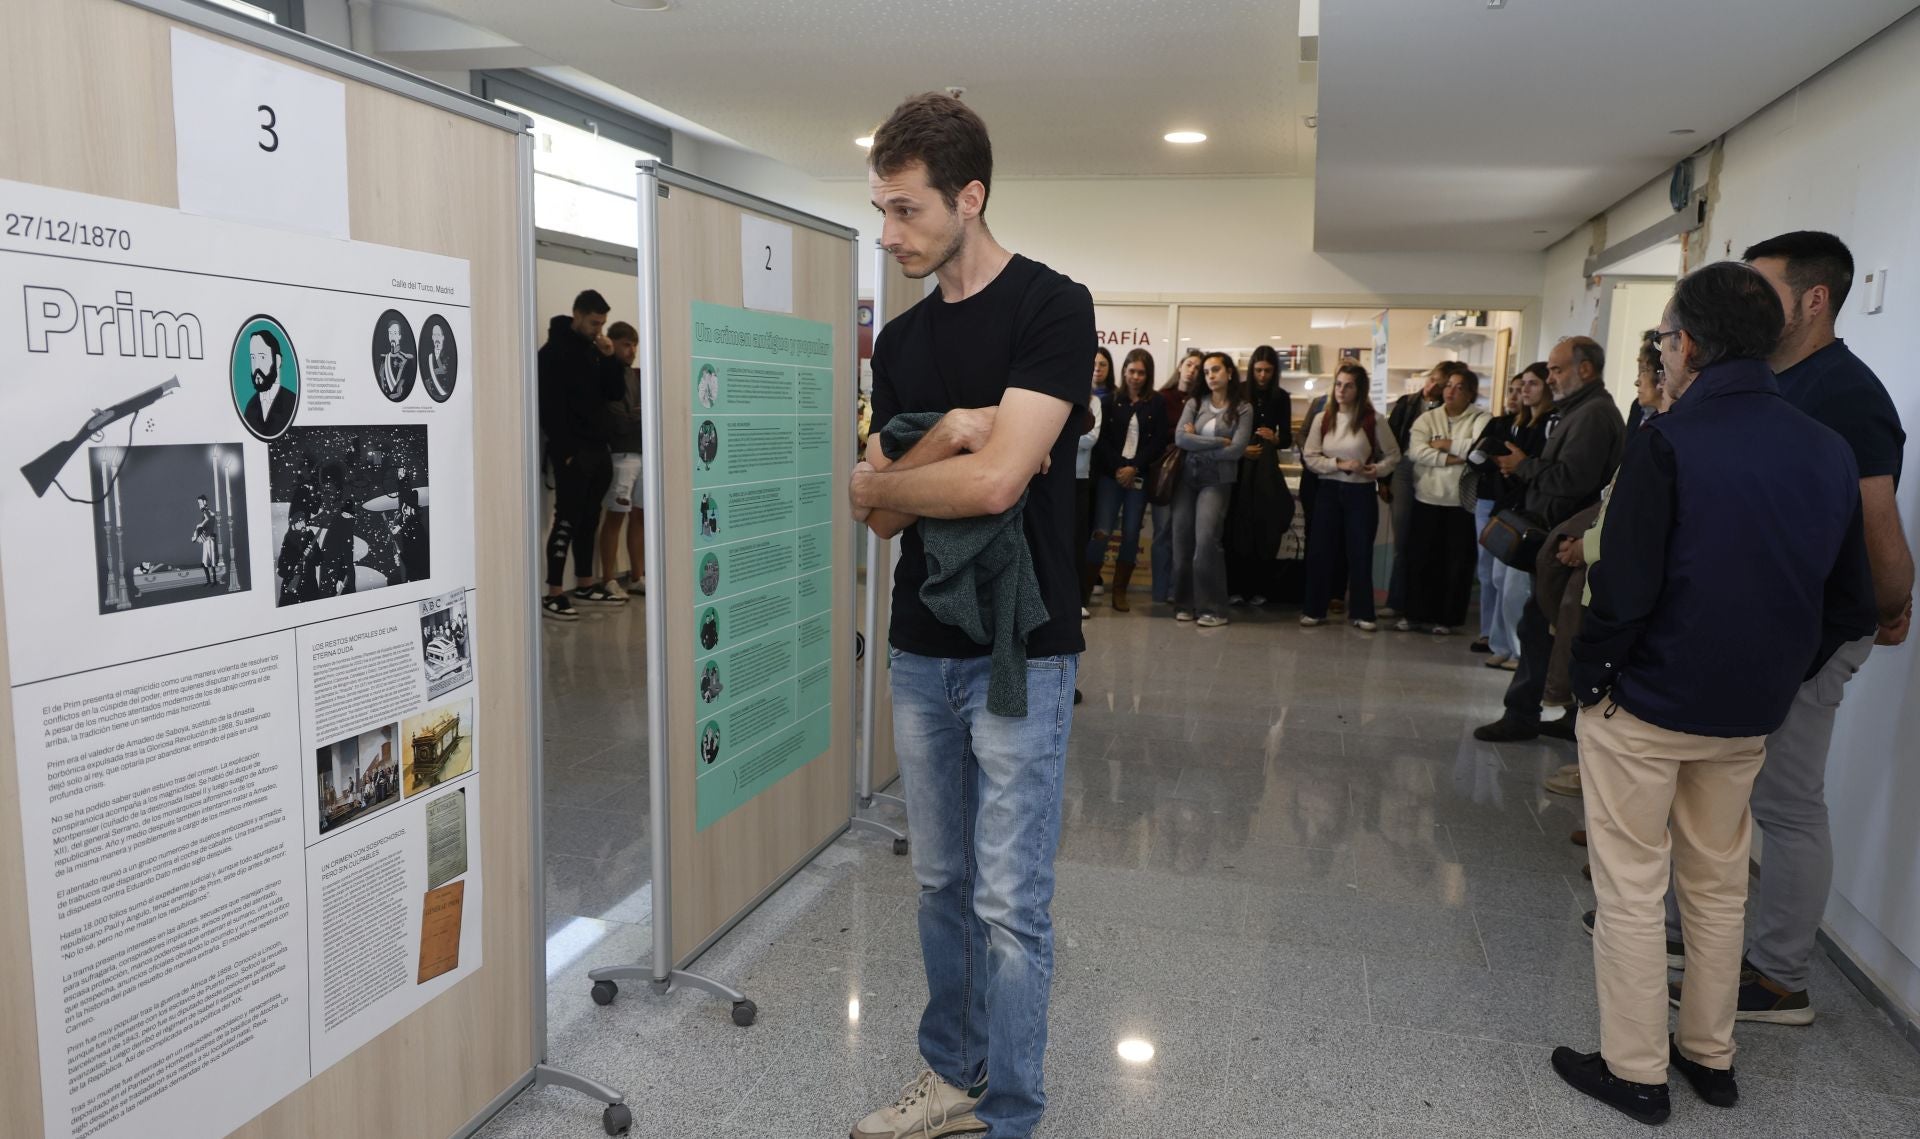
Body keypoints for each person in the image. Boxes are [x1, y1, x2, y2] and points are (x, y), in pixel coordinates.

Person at [1551, 261, 1876, 1124]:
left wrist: (1593, 677)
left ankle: (1635, 1071)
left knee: (1629, 885)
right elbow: (1852, 599)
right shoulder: (1826, 447)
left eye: (1662, 340)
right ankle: (1711, 1055)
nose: (1663, 353)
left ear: (1687, 344)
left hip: (1647, 703)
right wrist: (1781, 671)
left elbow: (1625, 585)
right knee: (1720, 882)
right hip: (1747, 713)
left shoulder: (1670, 439)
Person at [846, 92, 1091, 1139]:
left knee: (1009, 904)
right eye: (881, 211)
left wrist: (907, 475)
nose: (888, 232)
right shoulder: (899, 345)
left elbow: (1000, 489)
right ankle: (952, 1075)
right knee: (941, 882)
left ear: (970, 197)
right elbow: (874, 515)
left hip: (1020, 656)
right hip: (920, 651)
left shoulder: (1053, 307)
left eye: (905, 211)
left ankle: (1015, 1115)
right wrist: (949, 437)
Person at [1662, 232, 1913, 1026]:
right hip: (1758, 622)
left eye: (1764, 290)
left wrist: (1888, 602)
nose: (1751, 306)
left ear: (1813, 300)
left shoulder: (1844, 390)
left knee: (1787, 798)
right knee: (1709, 782)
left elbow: (1877, 518)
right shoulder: (1771, 379)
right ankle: (1678, 930)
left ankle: (1778, 975)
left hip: (1814, 629)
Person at [1473, 336, 1625, 742]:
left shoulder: (1592, 415)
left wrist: (1524, 467)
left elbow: (1573, 481)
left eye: (1557, 370)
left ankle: (1522, 712)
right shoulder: (1576, 411)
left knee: (1540, 627)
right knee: (1548, 627)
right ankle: (1563, 711)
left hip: (1568, 544)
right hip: (1558, 542)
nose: (1550, 377)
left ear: (1585, 370)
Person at [537, 289, 629, 621]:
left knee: (590, 521)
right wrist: (565, 453)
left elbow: (614, 393)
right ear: (576, 315)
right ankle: (554, 593)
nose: (598, 330)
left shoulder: (594, 351)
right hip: (573, 453)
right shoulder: (552, 353)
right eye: (594, 323)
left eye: (602, 324)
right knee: (566, 520)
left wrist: (609, 359)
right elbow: (548, 408)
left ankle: (586, 583)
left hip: (598, 449)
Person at [1299, 363, 1399, 629]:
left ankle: (1363, 613)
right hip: (1328, 490)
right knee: (1321, 551)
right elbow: (1310, 457)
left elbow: (1393, 455)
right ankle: (1314, 609)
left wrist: (1374, 470)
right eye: (1338, 384)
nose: (1341, 390)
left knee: (1359, 552)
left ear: (1360, 389)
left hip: (1361, 492)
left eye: (1348, 385)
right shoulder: (1323, 418)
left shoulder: (1373, 420)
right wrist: (1338, 465)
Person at [1402, 367, 1490, 634]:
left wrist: (1442, 444)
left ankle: (1447, 619)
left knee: (1456, 563)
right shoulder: (1427, 419)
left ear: (1471, 393)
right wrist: (1453, 455)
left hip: (1461, 501)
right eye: (1448, 385)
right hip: (1427, 497)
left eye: (1459, 387)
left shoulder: (1482, 418)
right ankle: (1415, 614)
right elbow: (1416, 452)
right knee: (1420, 559)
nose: (1450, 390)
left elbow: (1480, 449)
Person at [1169, 352, 1253, 627]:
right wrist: (1219, 441)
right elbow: (1181, 437)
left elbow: (1238, 449)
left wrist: (1200, 443)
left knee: (1206, 541)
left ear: (1229, 372)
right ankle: (1184, 604)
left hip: (1216, 480)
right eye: (1206, 372)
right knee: (1182, 540)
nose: (1210, 375)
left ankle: (1213, 609)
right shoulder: (1195, 402)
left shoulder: (1243, 409)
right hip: (1187, 478)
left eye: (1216, 369)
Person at [1086, 347, 1169, 613]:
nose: (1135, 376)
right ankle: (1084, 591)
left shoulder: (1156, 403)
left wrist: (1134, 467)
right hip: (1111, 477)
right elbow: (1102, 442)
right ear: (1124, 371)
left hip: (1139, 478)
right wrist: (1120, 468)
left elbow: (1158, 441)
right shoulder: (1110, 401)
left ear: (1148, 375)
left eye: (1141, 372)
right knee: (1101, 532)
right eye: (1131, 371)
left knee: (1131, 533)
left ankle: (1119, 593)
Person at [1226, 344, 1295, 606]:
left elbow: (1287, 437)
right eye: (1258, 370)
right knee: (1236, 525)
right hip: (1240, 466)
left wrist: (1275, 438)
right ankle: (1235, 587)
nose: (1263, 376)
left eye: (1267, 371)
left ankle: (1258, 588)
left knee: (1262, 525)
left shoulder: (1282, 397)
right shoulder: (1240, 393)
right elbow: (1228, 429)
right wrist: (1241, 449)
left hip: (1265, 469)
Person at [1382, 363, 1450, 617]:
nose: (1432, 386)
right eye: (1431, 378)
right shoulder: (1407, 403)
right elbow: (1391, 443)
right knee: (1403, 539)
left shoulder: (1448, 412)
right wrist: (1385, 480)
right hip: (1404, 470)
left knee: (1429, 539)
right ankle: (1396, 601)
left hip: (1437, 473)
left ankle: (1424, 605)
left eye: (1439, 383)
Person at [1149, 349, 1204, 603]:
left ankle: (1176, 590)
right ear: (1180, 366)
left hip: (1191, 473)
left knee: (1183, 533)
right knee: (1162, 531)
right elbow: (1158, 434)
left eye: (1197, 367)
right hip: (1165, 472)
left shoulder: (1202, 401)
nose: (1192, 370)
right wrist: (1183, 434)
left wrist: (1191, 435)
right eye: (1189, 364)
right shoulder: (1162, 397)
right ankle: (1160, 590)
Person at [596, 321, 646, 599]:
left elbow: (640, 413)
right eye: (626, 344)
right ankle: (608, 579)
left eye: (634, 345)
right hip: (620, 454)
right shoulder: (607, 373)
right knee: (616, 516)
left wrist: (636, 416)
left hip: (641, 452)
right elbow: (617, 416)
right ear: (613, 343)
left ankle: (637, 576)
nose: (632, 350)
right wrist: (635, 417)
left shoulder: (634, 375)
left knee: (639, 516)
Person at [1074, 357, 1106, 614]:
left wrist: (1062, 436)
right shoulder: (1057, 398)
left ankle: (1079, 600)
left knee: (1077, 540)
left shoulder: (1093, 402)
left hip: (1080, 479)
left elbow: (1090, 439)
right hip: (1051, 477)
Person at [242, 328, 296, 438]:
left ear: (278, 360)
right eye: (253, 358)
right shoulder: (250, 408)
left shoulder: (292, 401)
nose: (256, 366)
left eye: (262, 357)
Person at [192, 494, 218, 585]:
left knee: (211, 560)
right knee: (205, 562)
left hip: (209, 539)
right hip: (206, 539)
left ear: (204, 502)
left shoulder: (207, 512)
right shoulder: (209, 512)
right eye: (198, 503)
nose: (199, 505)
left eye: (200, 503)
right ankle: (209, 581)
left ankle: (213, 581)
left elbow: (207, 519)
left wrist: (200, 525)